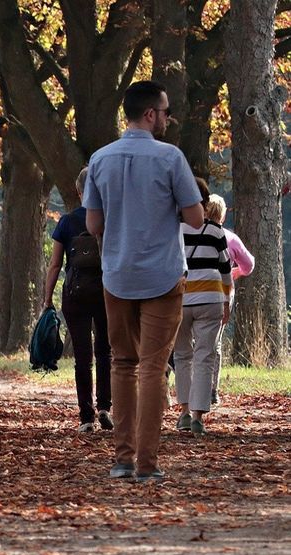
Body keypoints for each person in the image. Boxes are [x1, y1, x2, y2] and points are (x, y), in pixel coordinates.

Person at [84, 79, 204, 482]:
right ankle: (147, 464)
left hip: (117, 274)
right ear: (151, 114)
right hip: (163, 275)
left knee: (122, 363)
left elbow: (93, 224)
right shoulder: (171, 158)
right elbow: (196, 218)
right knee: (153, 366)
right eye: (166, 111)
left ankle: (122, 459)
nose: (168, 118)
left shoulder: (100, 159)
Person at [42, 168, 113, 433]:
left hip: (76, 294)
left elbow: (55, 265)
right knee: (105, 351)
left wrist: (47, 299)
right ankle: (105, 406)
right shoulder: (109, 219)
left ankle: (86, 417)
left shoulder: (67, 222)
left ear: (79, 191)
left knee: (83, 356)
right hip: (106, 292)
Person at [174, 178, 233, 435]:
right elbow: (226, 271)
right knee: (205, 356)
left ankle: (185, 412)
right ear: (205, 203)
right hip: (210, 298)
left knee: (181, 356)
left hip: (179, 299)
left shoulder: (173, 230)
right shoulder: (216, 232)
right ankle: (199, 416)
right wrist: (226, 301)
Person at [205, 194, 255, 404]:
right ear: (223, 216)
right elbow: (249, 264)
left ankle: (191, 388)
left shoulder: (193, 234)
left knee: (191, 341)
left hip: (194, 292)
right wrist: (237, 272)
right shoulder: (231, 239)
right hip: (223, 293)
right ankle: (212, 391)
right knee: (215, 342)